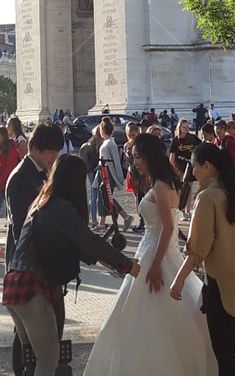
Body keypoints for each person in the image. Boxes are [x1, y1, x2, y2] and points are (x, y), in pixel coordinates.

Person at [84, 133, 216, 375]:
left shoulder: (160, 185)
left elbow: (167, 227)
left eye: (137, 158)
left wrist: (155, 265)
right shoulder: (163, 182)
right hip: (155, 250)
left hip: (156, 253)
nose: (134, 163)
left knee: (147, 316)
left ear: (149, 158)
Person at [4, 153, 138, 376]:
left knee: (33, 359)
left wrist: (114, 264)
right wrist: (126, 265)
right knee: (48, 360)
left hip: (16, 285)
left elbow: (83, 245)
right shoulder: (59, 208)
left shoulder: (42, 201)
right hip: (33, 288)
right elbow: (89, 241)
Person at [171, 142, 235, 376]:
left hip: (222, 284)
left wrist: (178, 280)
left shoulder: (207, 198)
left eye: (194, 167)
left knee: (225, 354)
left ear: (207, 166)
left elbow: (197, 248)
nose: (193, 173)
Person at [5, 122, 66, 376]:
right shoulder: (21, 178)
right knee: (30, 339)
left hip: (39, 266)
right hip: (27, 266)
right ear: (40, 149)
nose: (55, 158)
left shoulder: (39, 173)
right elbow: (23, 228)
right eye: (53, 152)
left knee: (42, 335)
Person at [98, 117, 134, 232]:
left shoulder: (111, 144)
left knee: (106, 196)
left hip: (108, 172)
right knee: (104, 196)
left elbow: (116, 162)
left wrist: (119, 177)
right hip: (104, 171)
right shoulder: (108, 143)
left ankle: (125, 216)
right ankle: (103, 222)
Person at [0, 124, 21, 236]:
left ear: (3, 136)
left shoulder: (12, 147)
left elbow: (9, 167)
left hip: (9, 184)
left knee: (10, 211)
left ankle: (12, 234)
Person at [169, 118, 199, 217]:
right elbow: (172, 156)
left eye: (187, 127)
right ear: (179, 128)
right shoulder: (176, 140)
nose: (186, 128)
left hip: (190, 166)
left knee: (189, 188)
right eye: (184, 127)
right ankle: (181, 209)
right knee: (181, 188)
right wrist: (172, 168)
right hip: (179, 166)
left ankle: (188, 210)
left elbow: (201, 146)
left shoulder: (193, 138)